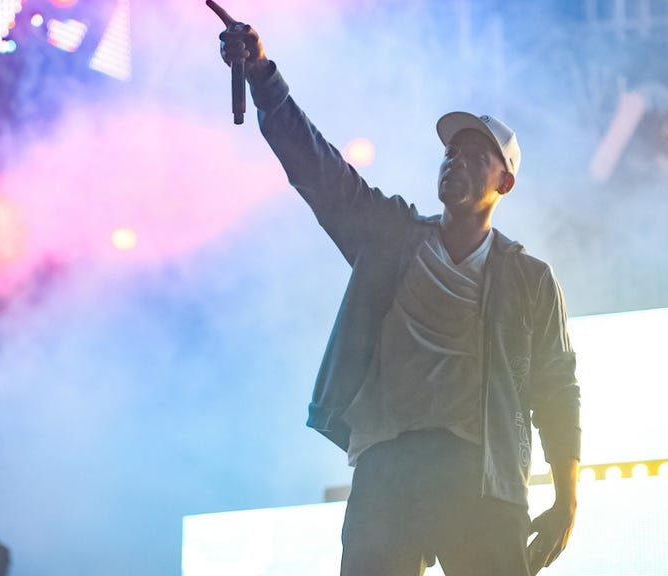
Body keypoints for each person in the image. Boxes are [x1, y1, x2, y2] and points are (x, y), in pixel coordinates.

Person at [216, 14, 581, 576]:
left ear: (504, 181)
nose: (453, 159)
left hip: (482, 477)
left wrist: (567, 497)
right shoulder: (390, 237)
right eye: (449, 152)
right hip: (389, 466)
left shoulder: (528, 279)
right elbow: (320, 170)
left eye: (473, 154)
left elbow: (556, 388)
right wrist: (263, 76)